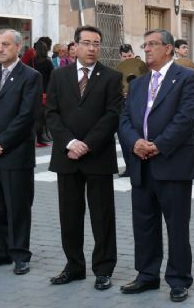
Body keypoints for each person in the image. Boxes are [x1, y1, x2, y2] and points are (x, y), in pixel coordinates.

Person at [118, 29, 194, 303]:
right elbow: (125, 119)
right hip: (141, 164)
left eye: (152, 44)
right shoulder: (139, 83)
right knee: (144, 223)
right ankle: (147, 274)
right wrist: (134, 143)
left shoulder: (187, 77)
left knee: (177, 225)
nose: (147, 49)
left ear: (168, 48)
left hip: (172, 163)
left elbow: (186, 117)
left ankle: (178, 279)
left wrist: (158, 145)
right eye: (145, 45)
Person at [46, 26, 123, 288]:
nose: (92, 48)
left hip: (97, 156)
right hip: (66, 156)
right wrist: (70, 142)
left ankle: (103, 269)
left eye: (96, 44)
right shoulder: (59, 75)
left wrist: (87, 144)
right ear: (75, 46)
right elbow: (52, 114)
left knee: (102, 216)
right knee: (69, 215)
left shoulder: (112, 77)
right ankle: (74, 266)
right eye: (87, 43)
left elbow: (112, 115)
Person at [0, 29, 42, 275]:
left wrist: (0, 143)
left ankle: (20, 254)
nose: (0, 49)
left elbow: (26, 116)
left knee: (18, 207)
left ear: (18, 48)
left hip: (15, 154)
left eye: (5, 44)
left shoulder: (31, 77)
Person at [32, 40, 54, 146]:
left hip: (34, 91)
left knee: (37, 116)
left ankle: (39, 138)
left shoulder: (33, 61)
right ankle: (42, 138)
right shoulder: (48, 62)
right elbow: (52, 77)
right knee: (44, 117)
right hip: (46, 91)